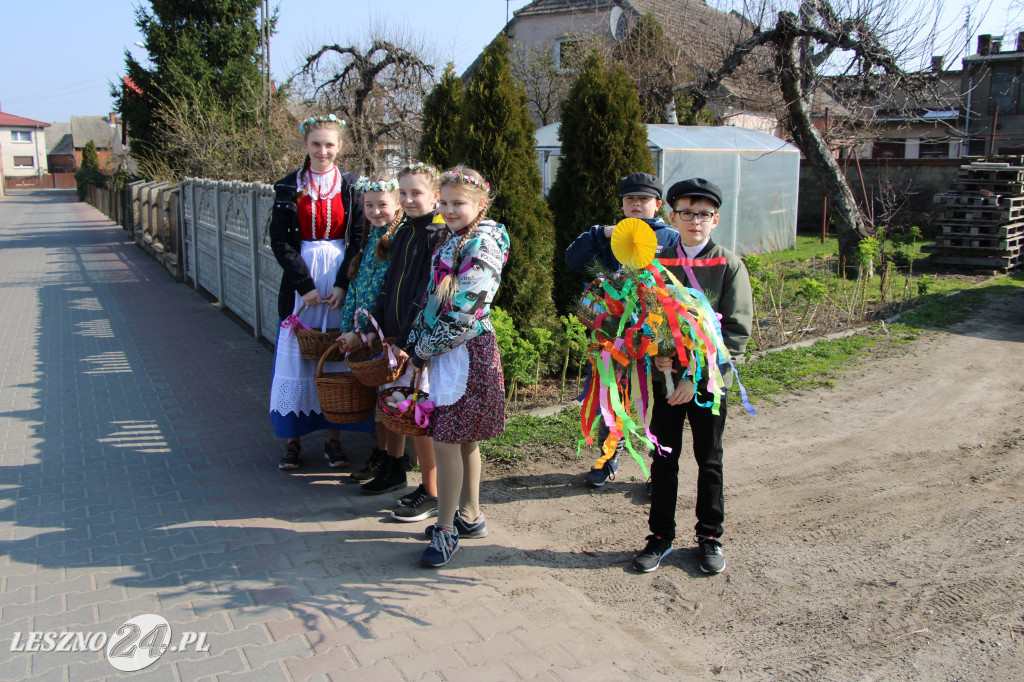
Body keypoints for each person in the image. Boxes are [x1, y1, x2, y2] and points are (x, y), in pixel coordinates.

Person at [632, 178, 752, 575]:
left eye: (703, 214)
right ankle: (660, 536)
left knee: (709, 459)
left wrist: (694, 377)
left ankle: (710, 536)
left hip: (708, 385)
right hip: (666, 383)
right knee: (663, 459)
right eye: (686, 213)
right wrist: (659, 356)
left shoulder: (728, 264)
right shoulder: (658, 263)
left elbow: (735, 333)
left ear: (715, 219)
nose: (694, 221)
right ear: (672, 216)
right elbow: (649, 321)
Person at [407, 167, 509, 568]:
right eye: (444, 202)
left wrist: (422, 350)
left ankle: (447, 530)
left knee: (447, 439)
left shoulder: (483, 242)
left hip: (465, 348)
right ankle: (470, 515)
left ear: (480, 205)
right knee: (464, 439)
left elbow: (466, 309)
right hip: (451, 348)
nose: (449, 210)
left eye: (458, 203)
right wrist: (418, 341)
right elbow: (435, 297)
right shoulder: (456, 237)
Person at [564, 172, 680, 488]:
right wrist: (601, 233)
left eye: (644, 199)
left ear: (657, 204)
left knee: (659, 403)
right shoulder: (610, 237)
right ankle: (607, 460)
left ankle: (660, 470)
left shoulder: (670, 238)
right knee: (611, 400)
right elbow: (573, 259)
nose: (636, 204)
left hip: (657, 336)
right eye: (630, 199)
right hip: (615, 338)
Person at [268, 114, 366, 471]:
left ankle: (333, 440)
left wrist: (343, 283)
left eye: (329, 144)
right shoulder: (287, 186)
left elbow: (357, 238)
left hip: (339, 277)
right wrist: (304, 285)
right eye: (315, 144)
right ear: (305, 145)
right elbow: (279, 240)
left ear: (339, 147)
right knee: (297, 352)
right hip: (303, 281)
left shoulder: (352, 186)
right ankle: (292, 441)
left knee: (334, 353)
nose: (322, 151)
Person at [358, 163, 443, 522]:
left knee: (416, 413)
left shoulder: (434, 235)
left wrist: (406, 340)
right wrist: (377, 327)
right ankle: (394, 467)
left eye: (416, 193)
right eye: (403, 193)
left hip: (414, 340)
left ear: (435, 197)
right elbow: (390, 283)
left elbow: (425, 294)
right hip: (392, 335)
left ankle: (432, 490)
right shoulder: (406, 231)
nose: (408, 200)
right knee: (392, 403)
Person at [335, 174, 403, 472]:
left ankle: (391, 458)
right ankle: (382, 452)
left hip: (382, 332)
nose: (376, 211)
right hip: (365, 330)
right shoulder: (371, 237)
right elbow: (358, 287)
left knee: (390, 397)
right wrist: (349, 328)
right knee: (381, 398)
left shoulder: (398, 238)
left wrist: (364, 331)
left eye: (382, 204)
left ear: (398, 203)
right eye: (369, 205)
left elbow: (382, 291)